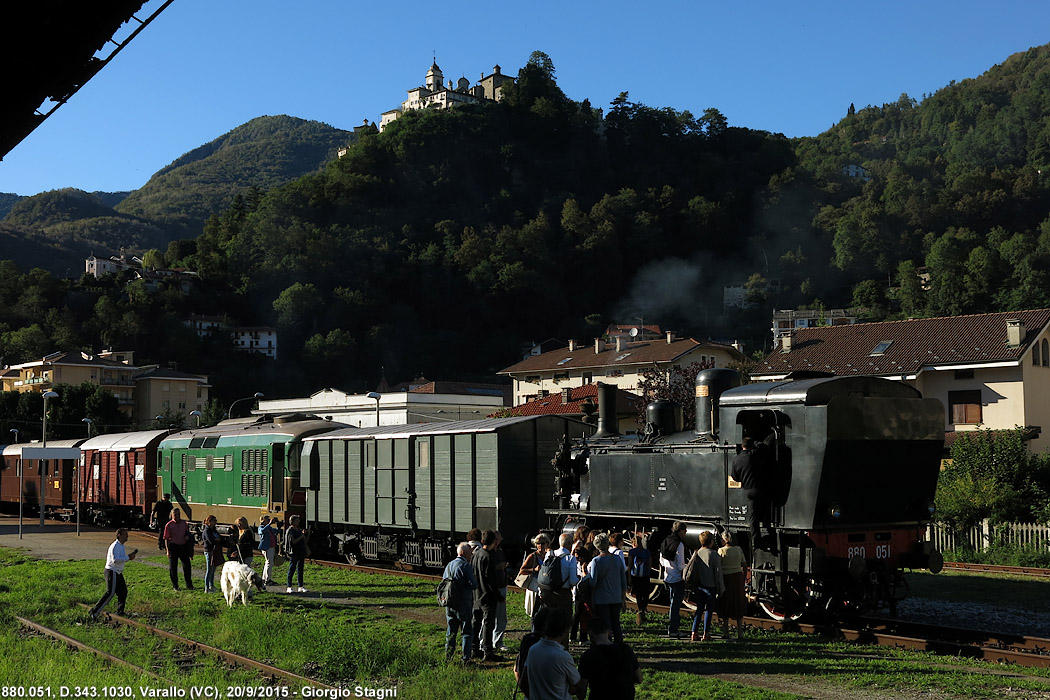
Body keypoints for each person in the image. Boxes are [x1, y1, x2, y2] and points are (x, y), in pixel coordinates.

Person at [524, 608, 586, 700]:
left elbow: (525, 678)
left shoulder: (533, 650)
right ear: (565, 630)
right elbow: (577, 684)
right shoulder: (562, 656)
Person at [578, 616, 642, 700]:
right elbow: (639, 679)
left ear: (590, 633)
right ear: (608, 632)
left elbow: (581, 694)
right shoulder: (626, 650)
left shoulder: (588, 656)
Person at [732, 437, 774, 546]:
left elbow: (735, 477)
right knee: (766, 510)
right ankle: (769, 532)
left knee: (753, 518)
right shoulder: (754, 455)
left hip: (748, 491)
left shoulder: (736, 459)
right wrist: (756, 442)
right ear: (751, 446)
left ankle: (756, 540)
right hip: (760, 489)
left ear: (742, 446)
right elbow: (763, 448)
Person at [88, 528, 137, 619]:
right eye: (125, 534)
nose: (127, 536)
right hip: (112, 571)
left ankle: (120, 612)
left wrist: (128, 557)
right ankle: (94, 612)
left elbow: (120, 558)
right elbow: (115, 560)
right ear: (119, 535)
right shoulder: (115, 546)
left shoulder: (121, 546)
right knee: (110, 593)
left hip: (118, 572)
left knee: (123, 592)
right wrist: (128, 558)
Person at [587, 532, 627, 644]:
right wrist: (623, 598)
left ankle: (607, 646)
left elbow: (593, 582)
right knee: (616, 624)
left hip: (601, 599)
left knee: (606, 625)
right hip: (616, 597)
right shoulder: (617, 559)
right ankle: (620, 647)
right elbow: (623, 581)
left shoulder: (596, 561)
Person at [471, 530, 504, 661]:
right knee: (488, 624)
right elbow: (491, 580)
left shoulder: (476, 554)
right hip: (488, 596)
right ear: (493, 541)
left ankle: (474, 648)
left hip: (476, 594)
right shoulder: (489, 557)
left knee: (476, 622)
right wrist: (499, 596)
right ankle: (487, 651)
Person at [443, 541, 478, 663]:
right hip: (463, 603)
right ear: (464, 553)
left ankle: (448, 657)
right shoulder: (465, 566)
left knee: (451, 631)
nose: (471, 556)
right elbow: (474, 585)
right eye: (469, 553)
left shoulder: (449, 565)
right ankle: (465, 658)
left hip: (450, 602)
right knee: (466, 631)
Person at [686, 531, 724, 642]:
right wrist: (721, 588)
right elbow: (718, 573)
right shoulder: (714, 555)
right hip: (711, 586)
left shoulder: (697, 554)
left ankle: (694, 632)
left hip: (699, 586)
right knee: (709, 610)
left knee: (699, 609)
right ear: (711, 542)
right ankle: (706, 633)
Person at [718, 531, 748, 640]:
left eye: (722, 538)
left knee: (726, 604)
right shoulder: (738, 549)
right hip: (737, 579)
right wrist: (743, 579)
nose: (720, 540)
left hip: (726, 579)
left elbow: (718, 567)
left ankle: (726, 632)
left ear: (726, 539)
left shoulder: (721, 551)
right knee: (738, 604)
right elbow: (744, 565)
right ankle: (740, 633)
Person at [659, 521, 687, 638]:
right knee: (675, 605)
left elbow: (661, 560)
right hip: (676, 578)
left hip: (667, 575)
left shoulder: (666, 541)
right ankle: (673, 629)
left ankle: (672, 628)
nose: (686, 533)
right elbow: (681, 564)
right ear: (680, 531)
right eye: (685, 530)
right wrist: (683, 577)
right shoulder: (679, 545)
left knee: (672, 603)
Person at [540, 532, 579, 614]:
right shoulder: (570, 558)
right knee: (563, 619)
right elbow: (573, 581)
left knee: (550, 617)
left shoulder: (549, 554)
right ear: (569, 544)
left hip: (548, 592)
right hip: (563, 593)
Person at [519, 533, 550, 630]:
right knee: (534, 611)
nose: (540, 545)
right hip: (534, 588)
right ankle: (534, 632)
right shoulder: (532, 556)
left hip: (545, 587)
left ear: (547, 544)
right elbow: (522, 570)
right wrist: (534, 570)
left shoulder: (549, 556)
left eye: (542, 543)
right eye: (538, 543)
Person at [163, 508, 194, 590]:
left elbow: (187, 533)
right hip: (173, 546)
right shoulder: (169, 525)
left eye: (178, 514)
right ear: (172, 515)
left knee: (187, 566)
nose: (177, 516)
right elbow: (166, 538)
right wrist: (167, 550)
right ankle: (175, 586)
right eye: (175, 515)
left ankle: (189, 585)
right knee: (173, 567)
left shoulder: (184, 523)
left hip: (183, 546)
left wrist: (187, 537)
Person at [490, 530, 510, 652]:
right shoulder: (488, 553)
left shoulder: (500, 552)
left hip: (502, 586)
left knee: (501, 617)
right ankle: (485, 642)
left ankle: (497, 641)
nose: (498, 542)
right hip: (493, 588)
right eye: (497, 539)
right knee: (489, 617)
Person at [626, 533, 651, 625]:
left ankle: (640, 610)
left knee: (638, 595)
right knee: (645, 594)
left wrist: (629, 577)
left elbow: (629, 565)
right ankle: (642, 610)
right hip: (645, 576)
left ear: (633, 543)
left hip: (635, 576)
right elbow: (649, 565)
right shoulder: (647, 552)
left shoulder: (632, 552)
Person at [284, 514, 308, 593]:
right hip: (293, 551)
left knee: (300, 569)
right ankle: (289, 586)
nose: (298, 522)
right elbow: (293, 541)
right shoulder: (290, 530)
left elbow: (305, 540)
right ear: (293, 521)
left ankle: (300, 586)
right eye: (297, 521)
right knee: (292, 568)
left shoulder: (299, 529)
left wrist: (306, 534)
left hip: (300, 551)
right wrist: (301, 536)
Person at [201, 514, 224, 593]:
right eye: (215, 521)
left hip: (214, 551)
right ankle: (206, 587)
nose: (216, 522)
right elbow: (211, 541)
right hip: (209, 551)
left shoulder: (214, 530)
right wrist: (216, 540)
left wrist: (218, 539)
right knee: (209, 569)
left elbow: (219, 538)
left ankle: (212, 585)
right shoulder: (206, 531)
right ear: (209, 522)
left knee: (213, 569)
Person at [258, 515, 278, 585]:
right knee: (269, 563)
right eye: (267, 519)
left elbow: (275, 531)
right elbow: (262, 531)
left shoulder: (269, 528)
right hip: (267, 547)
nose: (269, 520)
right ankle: (267, 580)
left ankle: (265, 578)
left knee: (268, 563)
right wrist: (269, 524)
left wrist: (278, 525)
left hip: (271, 547)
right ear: (263, 520)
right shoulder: (261, 527)